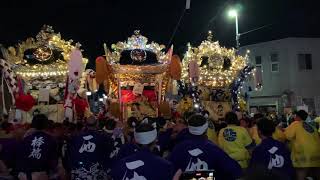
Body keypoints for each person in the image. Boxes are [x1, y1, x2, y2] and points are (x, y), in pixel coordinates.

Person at [169, 114, 242, 180]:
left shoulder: (178, 148)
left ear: (189, 128)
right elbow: (236, 171)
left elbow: (168, 171)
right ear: (206, 129)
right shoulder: (213, 149)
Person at [65, 115, 114, 180]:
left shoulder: (76, 138)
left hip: (79, 172)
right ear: (97, 124)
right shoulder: (103, 138)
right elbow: (109, 154)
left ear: (85, 124)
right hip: (97, 172)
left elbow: (70, 155)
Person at [16, 114, 59, 180]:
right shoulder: (51, 139)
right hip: (41, 175)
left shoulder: (25, 139)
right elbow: (54, 163)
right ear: (46, 125)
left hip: (23, 175)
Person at [284, 110, 320, 180]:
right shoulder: (312, 126)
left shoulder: (295, 124)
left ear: (297, 116)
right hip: (317, 154)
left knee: (301, 174)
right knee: (317, 174)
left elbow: (287, 136)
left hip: (303, 155)